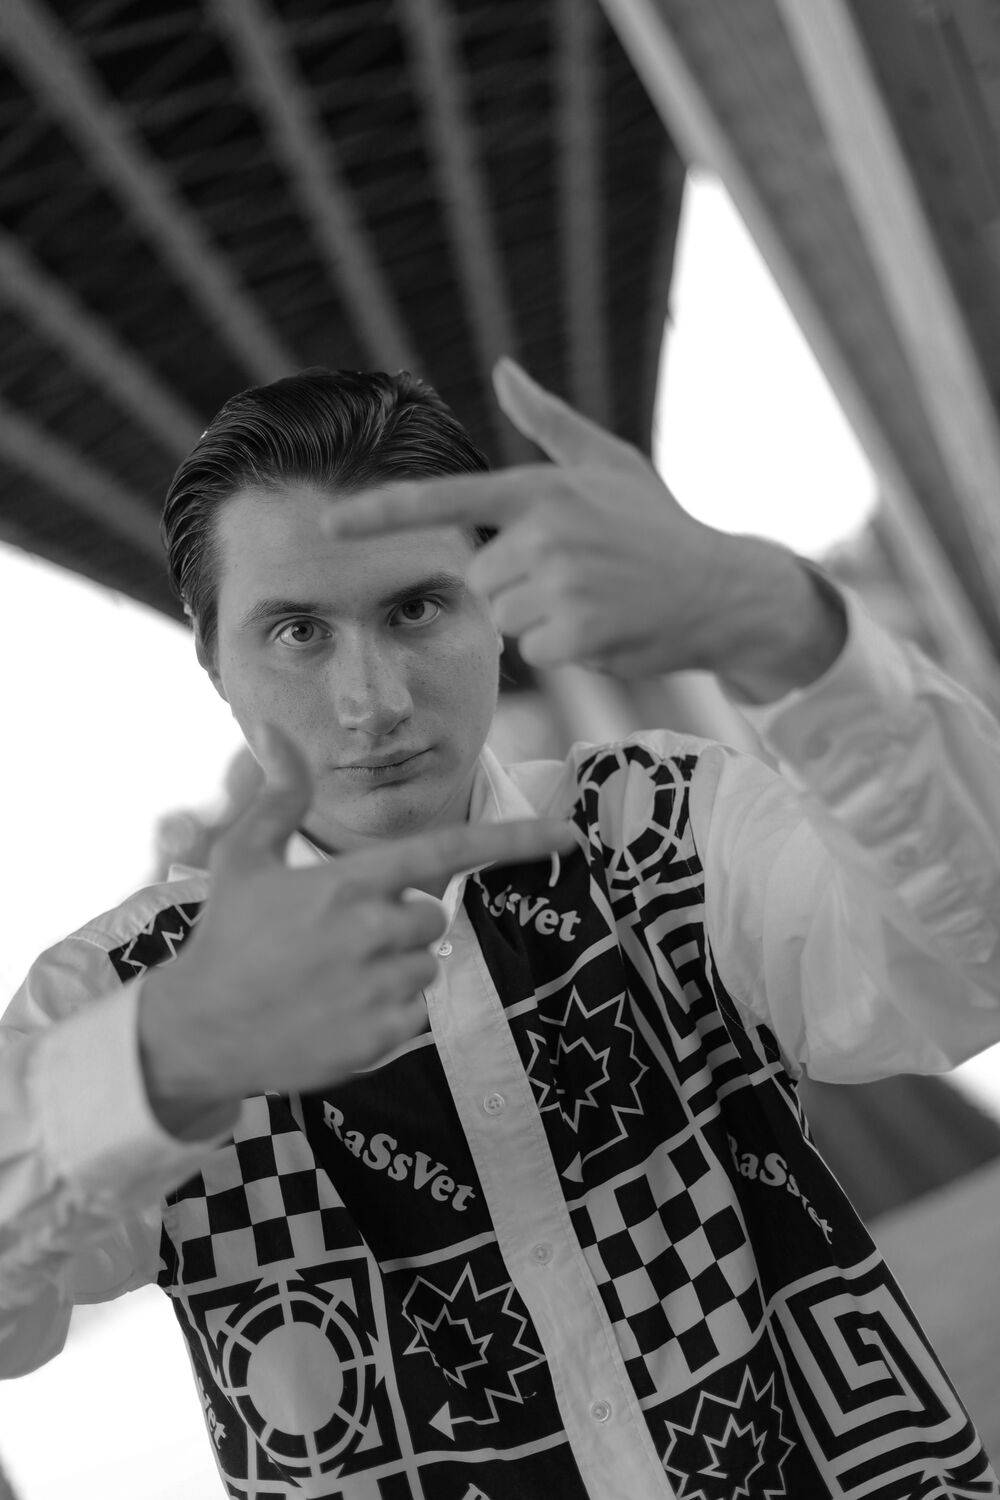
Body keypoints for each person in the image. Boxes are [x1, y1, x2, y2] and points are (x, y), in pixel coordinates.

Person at [2, 360, 999, 1500]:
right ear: (212, 659)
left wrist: (783, 623)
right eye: (298, 632)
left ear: (494, 611)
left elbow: (967, 970)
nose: (373, 702)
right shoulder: (123, 990)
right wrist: (165, 1055)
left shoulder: (662, 828)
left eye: (415, 609)